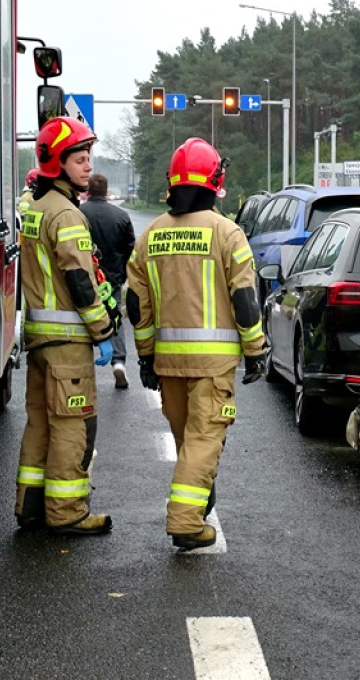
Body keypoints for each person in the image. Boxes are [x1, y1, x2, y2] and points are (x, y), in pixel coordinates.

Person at [126, 137, 267, 551]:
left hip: (168, 363)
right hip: (212, 365)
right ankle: (186, 522)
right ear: (215, 182)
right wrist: (255, 350)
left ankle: (199, 499)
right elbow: (245, 300)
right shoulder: (228, 234)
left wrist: (146, 358)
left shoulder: (151, 235)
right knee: (205, 440)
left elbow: (138, 305)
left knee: (189, 442)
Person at [15, 116, 116, 536]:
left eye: (88, 158)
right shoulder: (68, 216)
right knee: (74, 426)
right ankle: (67, 511)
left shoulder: (36, 211)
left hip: (40, 340)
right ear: (57, 164)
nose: (88, 167)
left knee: (40, 424)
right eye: (79, 159)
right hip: (68, 345)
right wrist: (104, 331)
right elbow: (80, 281)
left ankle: (31, 505)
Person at [81, 173, 136, 389]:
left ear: (88, 191)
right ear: (106, 192)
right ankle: (119, 362)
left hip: (84, 278)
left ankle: (83, 367)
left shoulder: (77, 213)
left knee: (84, 318)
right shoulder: (120, 216)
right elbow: (131, 249)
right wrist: (123, 275)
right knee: (115, 317)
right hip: (112, 279)